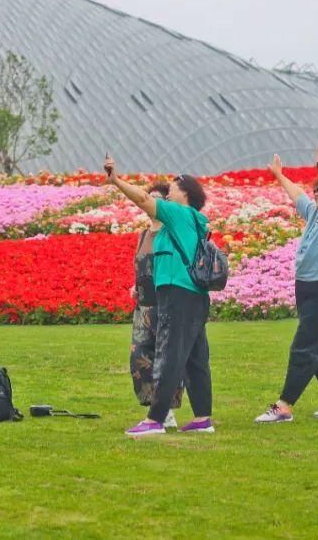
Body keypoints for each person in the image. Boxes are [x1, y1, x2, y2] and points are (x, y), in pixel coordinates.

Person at [105, 155, 215, 437]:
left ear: (185, 193)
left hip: (177, 295)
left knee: (168, 355)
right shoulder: (191, 220)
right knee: (195, 358)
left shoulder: (178, 214)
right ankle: (203, 418)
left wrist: (116, 180)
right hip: (194, 297)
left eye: (175, 187)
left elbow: (143, 199)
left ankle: (155, 419)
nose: (171, 191)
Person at [255, 144, 318, 423]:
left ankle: (284, 406)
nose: (316, 195)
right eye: (316, 192)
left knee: (304, 348)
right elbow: (297, 194)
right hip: (306, 289)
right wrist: (279, 175)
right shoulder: (313, 214)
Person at [129, 182, 184, 428]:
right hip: (143, 306)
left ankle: (165, 409)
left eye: (155, 199)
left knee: (166, 357)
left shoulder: (171, 234)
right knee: (139, 356)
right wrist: (135, 286)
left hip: (165, 305)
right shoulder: (143, 234)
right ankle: (153, 404)